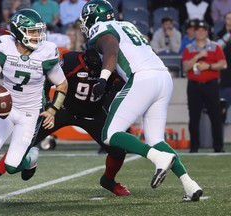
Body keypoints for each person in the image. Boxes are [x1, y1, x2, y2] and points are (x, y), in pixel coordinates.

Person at [80, 0, 203, 201]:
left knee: (110, 133)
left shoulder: (101, 28)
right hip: (163, 77)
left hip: (143, 78)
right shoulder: (127, 24)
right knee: (156, 139)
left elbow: (112, 48)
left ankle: (157, 157)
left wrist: (102, 77)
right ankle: (190, 185)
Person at [0, 49, 131, 197]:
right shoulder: (72, 60)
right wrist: (48, 104)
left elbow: (124, 88)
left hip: (93, 113)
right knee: (25, 140)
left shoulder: (114, 68)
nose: (95, 69)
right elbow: (50, 78)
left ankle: (108, 180)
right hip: (63, 110)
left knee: (117, 150)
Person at [0, 8, 68, 209]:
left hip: (30, 113)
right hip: (6, 109)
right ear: (18, 32)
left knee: (11, 167)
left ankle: (31, 158)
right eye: (32, 31)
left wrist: (53, 110)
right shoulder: (5, 47)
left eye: (38, 31)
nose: (37, 36)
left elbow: (62, 85)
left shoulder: (47, 52)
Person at [182, 20, 227, 153]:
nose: (200, 32)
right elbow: (186, 67)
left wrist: (209, 66)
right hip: (194, 86)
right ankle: (194, 148)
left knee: (215, 116)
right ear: (194, 32)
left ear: (207, 32)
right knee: (194, 117)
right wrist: (199, 56)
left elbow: (223, 64)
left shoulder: (215, 46)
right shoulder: (189, 48)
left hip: (211, 85)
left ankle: (218, 148)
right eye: (198, 30)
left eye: (203, 30)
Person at [216, 11, 231, 123]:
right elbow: (217, 49)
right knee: (224, 102)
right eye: (228, 19)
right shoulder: (220, 34)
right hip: (225, 71)